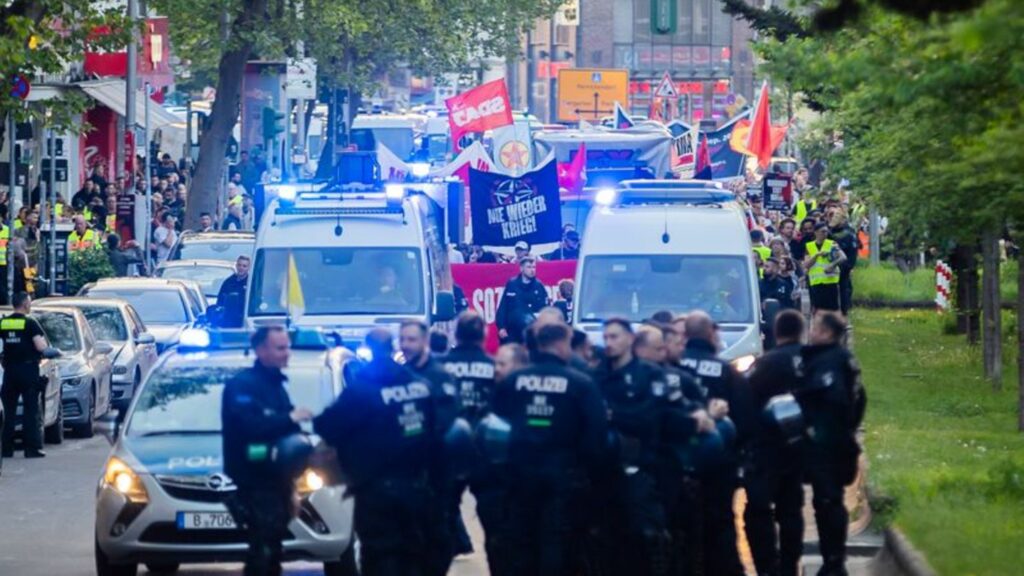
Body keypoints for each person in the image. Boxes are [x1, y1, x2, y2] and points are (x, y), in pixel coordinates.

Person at [314, 328, 452, 576]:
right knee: (413, 553)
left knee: (380, 557)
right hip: (418, 487)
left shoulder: (362, 390)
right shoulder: (419, 385)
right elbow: (437, 434)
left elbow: (326, 426)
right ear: (393, 347)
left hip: (376, 491)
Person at [491, 322, 607, 575]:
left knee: (522, 543)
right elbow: (595, 436)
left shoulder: (513, 381)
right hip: (563, 477)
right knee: (557, 544)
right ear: (561, 343)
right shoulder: (580, 384)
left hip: (519, 475)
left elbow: (494, 426)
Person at [222, 326, 313, 576]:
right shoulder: (242, 386)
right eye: (280, 348)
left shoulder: (277, 386)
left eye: (288, 347)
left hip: (278, 482)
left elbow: (288, 437)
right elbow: (250, 426)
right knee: (262, 553)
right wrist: (290, 417)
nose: (287, 353)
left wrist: (292, 489)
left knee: (272, 551)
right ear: (261, 350)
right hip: (255, 482)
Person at [592, 319, 673, 575]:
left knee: (646, 537)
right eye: (606, 338)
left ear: (629, 338)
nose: (609, 343)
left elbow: (650, 417)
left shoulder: (648, 374)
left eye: (614, 337)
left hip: (642, 467)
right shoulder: (597, 375)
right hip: (604, 470)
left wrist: (614, 415)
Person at [678, 311, 749, 576]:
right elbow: (744, 417)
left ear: (684, 335)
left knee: (684, 528)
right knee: (720, 524)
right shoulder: (727, 372)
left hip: (680, 463)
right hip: (720, 465)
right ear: (711, 334)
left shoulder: (673, 369)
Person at [799, 312, 866, 576]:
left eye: (815, 328)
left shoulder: (830, 362)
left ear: (826, 333)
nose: (811, 332)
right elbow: (860, 400)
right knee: (826, 502)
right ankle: (832, 561)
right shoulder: (844, 359)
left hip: (828, 445)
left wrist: (817, 430)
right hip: (838, 441)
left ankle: (834, 563)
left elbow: (834, 399)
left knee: (828, 502)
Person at [743, 310, 807, 576]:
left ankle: (767, 566)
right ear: (801, 331)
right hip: (800, 449)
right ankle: (790, 566)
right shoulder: (813, 361)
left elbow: (745, 402)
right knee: (791, 510)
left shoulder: (766, 363)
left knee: (758, 511)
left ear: (776, 332)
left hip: (767, 451)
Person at [398, 320, 465, 560]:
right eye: (403, 339)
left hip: (434, 468)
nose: (405, 345)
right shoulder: (398, 376)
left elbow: (446, 420)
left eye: (412, 339)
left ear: (425, 342)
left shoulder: (440, 376)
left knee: (437, 538)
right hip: (402, 471)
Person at [0, 292, 51, 459]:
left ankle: (6, 449)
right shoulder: (30, 323)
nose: (30, 305)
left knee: (8, 411)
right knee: (31, 410)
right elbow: (41, 346)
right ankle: (32, 449)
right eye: (29, 302)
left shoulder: (4, 322)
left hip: (9, 371)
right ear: (24, 304)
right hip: (28, 371)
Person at [441, 311, 496, 424]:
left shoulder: (438, 365)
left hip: (448, 429)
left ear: (456, 334)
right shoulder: (495, 367)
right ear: (484, 335)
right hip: (485, 432)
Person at [495, 256, 548, 344]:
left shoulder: (539, 286)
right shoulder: (512, 284)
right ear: (521, 269)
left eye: (534, 267)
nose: (532, 270)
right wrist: (501, 327)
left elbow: (544, 309)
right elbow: (503, 306)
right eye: (529, 267)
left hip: (531, 332)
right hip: (512, 331)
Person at [803, 222, 846, 314]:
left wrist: (832, 265)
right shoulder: (809, 246)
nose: (825, 234)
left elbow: (843, 257)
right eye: (822, 232)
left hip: (830, 281)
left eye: (826, 232)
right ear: (816, 232)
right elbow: (806, 264)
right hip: (816, 282)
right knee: (818, 310)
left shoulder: (832, 244)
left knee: (832, 309)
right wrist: (816, 255)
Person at [829, 208, 860, 316]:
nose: (834, 218)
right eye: (833, 216)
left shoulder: (849, 233)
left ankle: (843, 313)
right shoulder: (829, 231)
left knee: (844, 290)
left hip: (843, 267)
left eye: (837, 216)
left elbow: (853, 252)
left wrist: (848, 266)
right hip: (828, 268)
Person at [216, 255, 251, 328]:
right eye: (239, 265)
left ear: (249, 268)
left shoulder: (251, 283)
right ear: (236, 266)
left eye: (244, 266)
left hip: (244, 320)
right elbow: (220, 301)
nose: (241, 268)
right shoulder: (228, 282)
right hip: (228, 321)